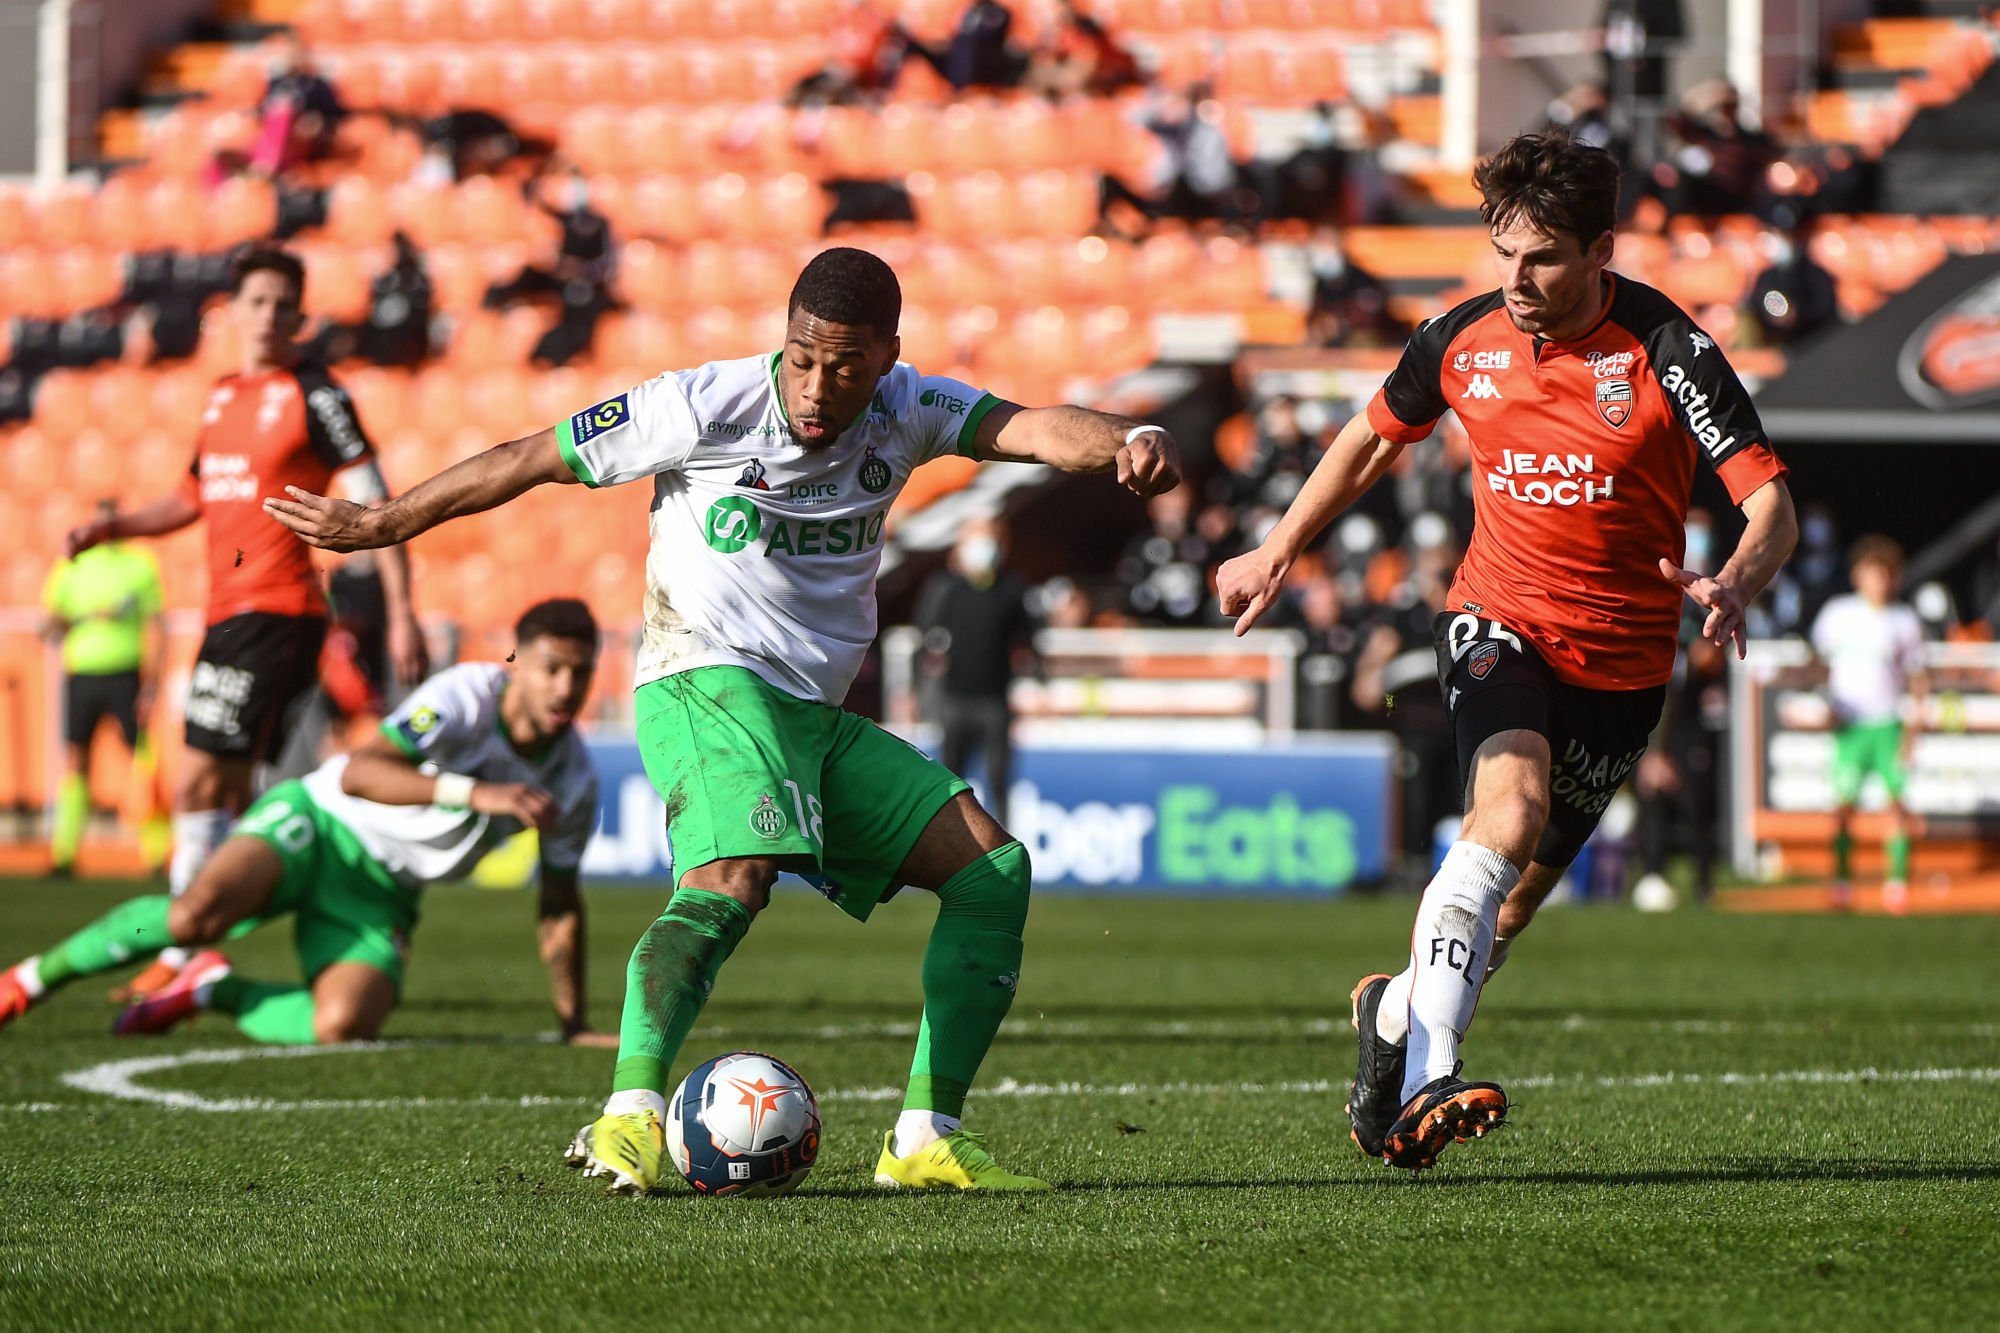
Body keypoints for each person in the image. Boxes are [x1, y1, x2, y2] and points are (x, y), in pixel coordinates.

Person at [263, 247, 1182, 1195]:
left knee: (993, 871)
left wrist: (1129, 436)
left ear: (887, 356)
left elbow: (1032, 428)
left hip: (810, 716)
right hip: (703, 676)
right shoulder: (701, 403)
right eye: (802, 358)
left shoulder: (911, 406)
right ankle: (627, 1118)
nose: (820, 387)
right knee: (731, 880)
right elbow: (531, 457)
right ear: (782, 342)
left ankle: (923, 1136)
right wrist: (387, 522)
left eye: (847, 366)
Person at [1216, 129, 1796, 1172]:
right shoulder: (1460, 339)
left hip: (1622, 666)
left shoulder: (1668, 351)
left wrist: (1735, 582)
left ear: (1598, 252)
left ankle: (1391, 1012)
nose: (1517, 280)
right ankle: (1428, 1076)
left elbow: (1770, 508)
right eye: (1503, 253)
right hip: (1498, 620)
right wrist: (1275, 547)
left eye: (1541, 259)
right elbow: (1364, 438)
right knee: (1507, 812)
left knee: (1510, 906)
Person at [59, 245, 427, 1000]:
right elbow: (191, 497)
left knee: (201, 777)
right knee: (218, 786)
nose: (265, 316)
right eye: (253, 302)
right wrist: (114, 528)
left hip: (278, 609)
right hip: (228, 613)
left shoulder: (316, 394)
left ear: (298, 316)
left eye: (279, 304)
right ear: (233, 311)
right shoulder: (221, 395)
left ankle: (187, 945)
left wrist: (402, 614)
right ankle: (200, 937)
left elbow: (379, 504)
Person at [1, 600, 605, 1046]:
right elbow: (359, 773)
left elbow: (559, 901)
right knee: (192, 917)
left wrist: (573, 1023)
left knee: (342, 1025)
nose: (566, 688)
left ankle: (209, 988)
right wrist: (477, 793)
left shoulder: (575, 779)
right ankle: (29, 980)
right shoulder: (466, 695)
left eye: (580, 673)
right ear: (517, 662)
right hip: (318, 820)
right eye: (551, 668)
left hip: (381, 889)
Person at [40, 498, 169, 877]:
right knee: (77, 759)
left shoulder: (140, 566)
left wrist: (154, 683)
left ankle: (157, 854)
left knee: (141, 759)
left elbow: (158, 627)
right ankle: (64, 854)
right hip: (81, 674)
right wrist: (83, 617)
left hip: (126, 675)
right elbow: (49, 626)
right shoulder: (72, 565)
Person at [1810, 536, 1926, 914]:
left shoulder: (1903, 621)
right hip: (1850, 726)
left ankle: (1897, 884)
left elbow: (1919, 678)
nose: (1878, 581)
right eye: (1871, 573)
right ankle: (1842, 881)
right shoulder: (1838, 614)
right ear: (1858, 575)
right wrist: (1823, 703)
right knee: (1842, 806)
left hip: (1888, 723)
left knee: (1896, 804)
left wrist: (1913, 731)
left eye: (1885, 574)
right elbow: (1817, 662)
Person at [915, 516, 1039, 825]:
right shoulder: (945, 588)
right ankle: (952, 847)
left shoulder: (1012, 588)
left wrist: (1033, 684)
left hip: (995, 702)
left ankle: (1005, 849)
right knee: (951, 783)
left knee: (999, 780)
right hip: (954, 700)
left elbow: (1028, 644)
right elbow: (927, 641)